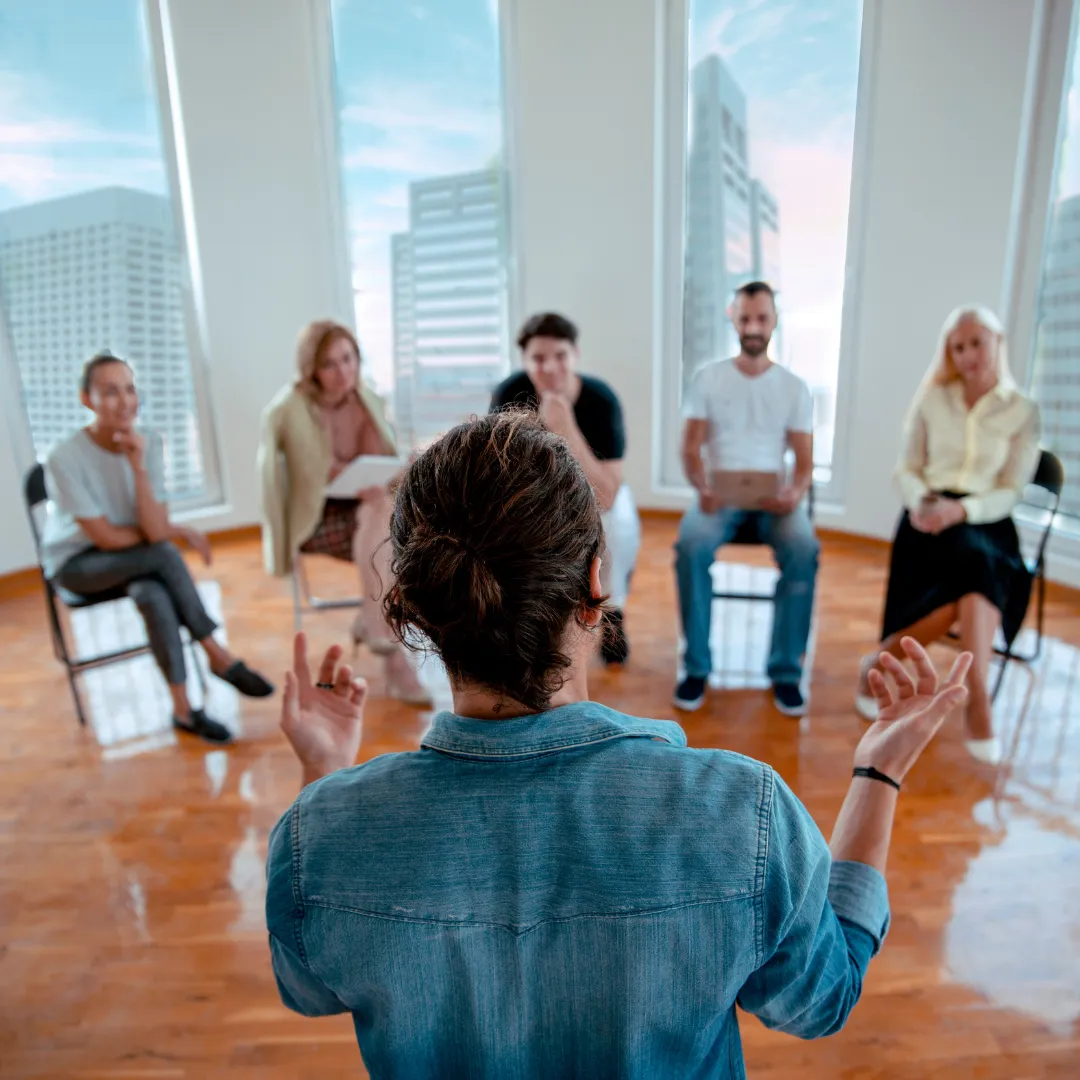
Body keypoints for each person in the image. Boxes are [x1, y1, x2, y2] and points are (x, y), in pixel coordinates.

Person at [265, 408, 972, 1078]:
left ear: (413, 608)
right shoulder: (742, 814)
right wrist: (879, 772)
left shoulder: (318, 836)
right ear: (596, 583)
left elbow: (310, 986)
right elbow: (823, 998)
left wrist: (325, 780)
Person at [41, 354, 274, 743]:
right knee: (164, 555)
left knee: (152, 592)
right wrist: (173, 531)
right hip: (77, 564)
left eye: (130, 388)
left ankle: (183, 710)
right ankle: (217, 653)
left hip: (133, 562)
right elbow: (106, 538)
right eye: (110, 391)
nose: (125, 400)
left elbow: (151, 529)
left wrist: (138, 466)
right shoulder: (63, 457)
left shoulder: (148, 442)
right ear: (86, 399)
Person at [855, 305, 1041, 766]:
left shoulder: (1022, 410)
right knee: (974, 572)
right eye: (958, 347)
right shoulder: (933, 399)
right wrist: (923, 502)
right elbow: (907, 468)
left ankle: (889, 661)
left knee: (979, 561)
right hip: (928, 515)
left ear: (998, 342)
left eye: (977, 342)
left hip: (987, 519)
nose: (968, 354)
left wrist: (964, 510)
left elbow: (1011, 490)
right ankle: (976, 697)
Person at [257, 319, 430, 706]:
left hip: (368, 509)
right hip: (316, 517)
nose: (343, 371)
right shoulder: (287, 409)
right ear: (311, 369)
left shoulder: (366, 398)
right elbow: (295, 476)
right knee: (386, 525)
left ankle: (370, 622)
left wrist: (401, 468)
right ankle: (387, 645)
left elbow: (383, 459)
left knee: (382, 512)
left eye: (348, 359)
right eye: (330, 364)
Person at [674, 281, 819, 716]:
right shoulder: (709, 379)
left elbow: (805, 459)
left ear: (774, 321)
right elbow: (689, 448)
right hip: (720, 500)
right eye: (746, 318)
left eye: (762, 318)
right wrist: (702, 488)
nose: (753, 327)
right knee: (690, 546)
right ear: (732, 319)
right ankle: (697, 667)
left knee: (804, 547)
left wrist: (794, 491)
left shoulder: (793, 387)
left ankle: (786, 672)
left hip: (774, 501)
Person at [490, 311, 640, 665]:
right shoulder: (510, 393)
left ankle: (612, 610)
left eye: (560, 356)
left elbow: (607, 494)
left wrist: (565, 428)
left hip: (595, 492)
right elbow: (499, 470)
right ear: (525, 361)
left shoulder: (600, 400)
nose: (550, 368)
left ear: (575, 355)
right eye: (538, 359)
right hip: (535, 494)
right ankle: (523, 620)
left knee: (615, 529)